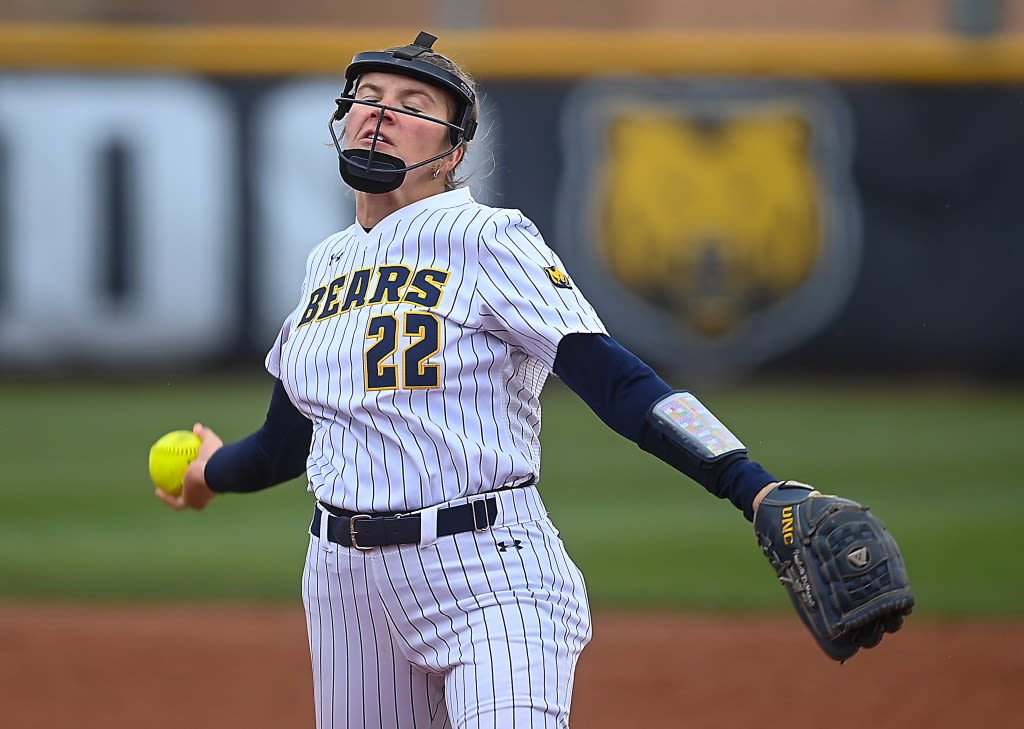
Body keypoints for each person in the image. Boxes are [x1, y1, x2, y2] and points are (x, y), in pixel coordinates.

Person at [156, 31, 908, 728]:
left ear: (453, 149)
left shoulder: (488, 237)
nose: (379, 116)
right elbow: (286, 443)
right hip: (343, 587)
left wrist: (752, 483)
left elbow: (615, 381)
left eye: (412, 105)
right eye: (366, 98)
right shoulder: (325, 265)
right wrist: (208, 472)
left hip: (487, 575)